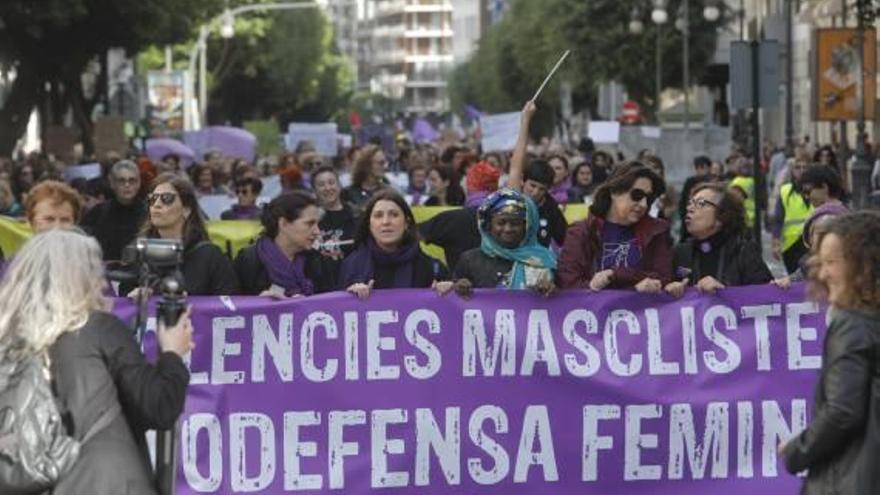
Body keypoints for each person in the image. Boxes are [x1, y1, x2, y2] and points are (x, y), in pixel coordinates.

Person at [0, 228, 191, 494]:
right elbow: (158, 407)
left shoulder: (7, 340)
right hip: (105, 483)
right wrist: (172, 352)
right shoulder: (100, 329)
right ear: (79, 276)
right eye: (93, 270)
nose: (100, 281)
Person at [781, 211, 880, 494]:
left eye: (831, 263)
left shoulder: (852, 325)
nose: (822, 273)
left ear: (862, 265)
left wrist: (795, 451)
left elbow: (842, 411)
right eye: (819, 262)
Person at [557, 161, 672, 292]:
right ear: (614, 192)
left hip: (640, 311)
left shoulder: (656, 231)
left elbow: (663, 278)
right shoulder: (580, 232)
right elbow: (568, 285)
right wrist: (591, 287)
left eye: (649, 198)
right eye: (637, 195)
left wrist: (616, 274)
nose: (644, 204)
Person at [124, 173, 238, 296]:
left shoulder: (210, 256)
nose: (156, 204)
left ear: (186, 209)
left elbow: (230, 305)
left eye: (167, 198)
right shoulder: (138, 251)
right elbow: (121, 304)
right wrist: (133, 298)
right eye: (153, 198)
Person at [665, 183, 772, 298]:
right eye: (690, 203)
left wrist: (725, 293)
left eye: (701, 203)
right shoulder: (680, 252)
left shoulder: (743, 251)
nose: (690, 208)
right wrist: (669, 290)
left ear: (722, 216)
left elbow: (766, 297)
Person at [339, 190, 451, 298]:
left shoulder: (433, 268)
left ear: (406, 222)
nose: (386, 222)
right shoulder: (351, 266)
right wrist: (350, 297)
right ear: (369, 224)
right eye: (378, 215)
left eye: (394, 215)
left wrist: (449, 292)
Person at [453, 189, 556, 297]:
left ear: (527, 227)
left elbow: (563, 301)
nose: (507, 229)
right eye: (501, 223)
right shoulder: (469, 260)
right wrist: (458, 287)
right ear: (489, 225)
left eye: (515, 223)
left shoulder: (543, 260)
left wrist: (551, 289)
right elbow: (452, 303)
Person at [234, 192, 335, 296]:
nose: (317, 231)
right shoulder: (249, 260)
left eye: (318, 224)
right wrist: (259, 303)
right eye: (309, 224)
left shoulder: (318, 260)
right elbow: (231, 305)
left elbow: (333, 304)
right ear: (283, 223)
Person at [418, 161, 498, 271]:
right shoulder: (507, 218)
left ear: (468, 186)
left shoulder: (451, 219)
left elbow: (413, 233)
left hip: (460, 285)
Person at [81, 160, 148, 261]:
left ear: (139, 183)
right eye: (121, 181)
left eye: (132, 181)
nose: (127, 185)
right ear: (112, 183)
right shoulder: (98, 212)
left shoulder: (148, 213)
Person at [770, 155, 813, 274]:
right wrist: (775, 243)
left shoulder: (817, 190)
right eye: (798, 168)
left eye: (805, 167)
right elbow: (778, 219)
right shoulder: (785, 191)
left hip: (812, 242)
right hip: (791, 245)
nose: (802, 170)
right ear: (792, 171)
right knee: (795, 281)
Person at [312, 166, 358, 260]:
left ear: (339, 185)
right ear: (314, 190)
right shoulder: (310, 220)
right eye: (321, 185)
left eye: (331, 183)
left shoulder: (356, 215)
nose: (328, 188)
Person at [678, 155, 712, 240]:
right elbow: (683, 202)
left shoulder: (712, 183)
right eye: (698, 167)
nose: (700, 170)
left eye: (702, 167)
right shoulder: (690, 182)